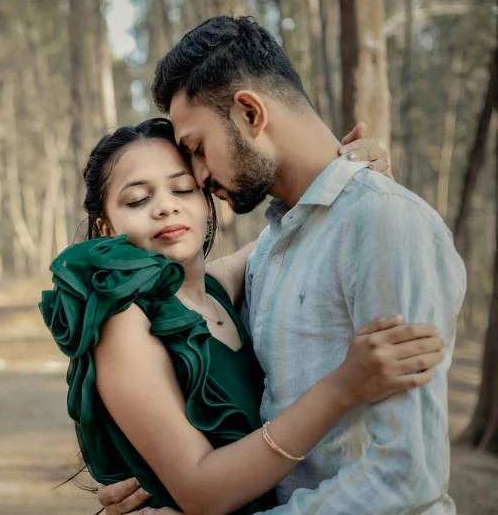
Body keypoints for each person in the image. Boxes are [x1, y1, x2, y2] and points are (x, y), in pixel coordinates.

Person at [97, 16, 467, 515]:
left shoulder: (382, 221)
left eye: (197, 152)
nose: (200, 178)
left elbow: (405, 475)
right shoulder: (269, 254)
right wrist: (161, 475)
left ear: (250, 112)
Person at [40, 117, 446, 515]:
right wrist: (344, 387)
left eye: (182, 188)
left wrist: (354, 177)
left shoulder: (216, 287)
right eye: (137, 200)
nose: (166, 207)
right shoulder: (126, 321)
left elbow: (295, 231)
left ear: (206, 200)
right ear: (105, 225)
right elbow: (202, 492)